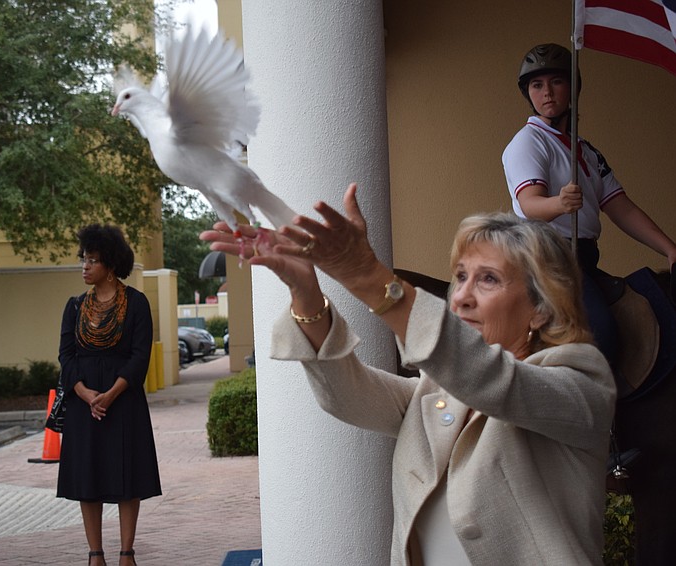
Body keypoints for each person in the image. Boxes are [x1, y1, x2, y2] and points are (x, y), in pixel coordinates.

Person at [201, 184, 616, 564]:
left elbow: (491, 379)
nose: (462, 297)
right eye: (460, 277)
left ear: (542, 308)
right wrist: (306, 293)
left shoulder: (579, 381)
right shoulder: (438, 393)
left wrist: (367, 275)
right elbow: (348, 394)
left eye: (488, 279)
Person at [502, 43, 676, 367]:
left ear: (572, 87)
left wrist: (669, 249)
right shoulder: (528, 141)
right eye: (537, 85)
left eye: (556, 82)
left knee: (647, 305)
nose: (547, 93)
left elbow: (621, 207)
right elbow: (528, 203)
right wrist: (558, 203)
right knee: (600, 333)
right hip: (546, 260)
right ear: (528, 93)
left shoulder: (587, 151)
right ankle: (586, 413)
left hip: (582, 260)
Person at [56, 224, 161, 566]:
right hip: (84, 405)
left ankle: (127, 552)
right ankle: (95, 554)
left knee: (127, 475)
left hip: (123, 400)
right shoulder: (73, 307)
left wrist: (112, 393)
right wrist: (87, 395)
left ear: (111, 264)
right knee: (89, 476)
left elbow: (139, 356)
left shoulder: (136, 303)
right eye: (82, 259)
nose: (84, 266)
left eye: (92, 260)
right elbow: (66, 357)